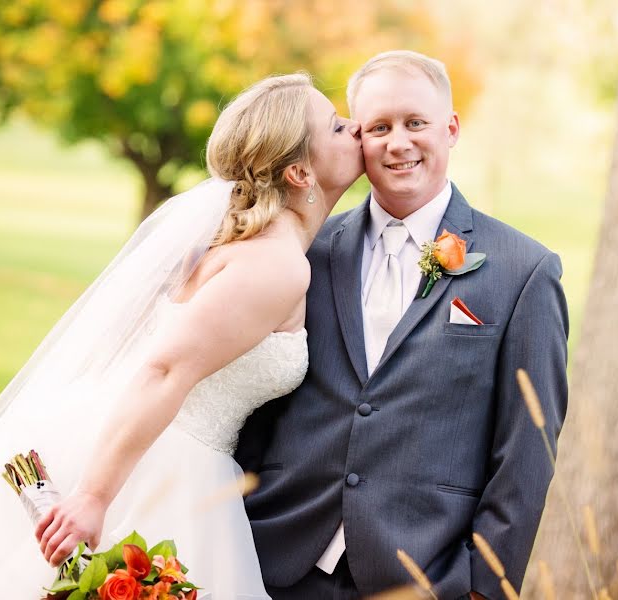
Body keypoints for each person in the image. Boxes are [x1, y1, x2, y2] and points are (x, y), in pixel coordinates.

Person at [0, 72, 364, 599]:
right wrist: (94, 497)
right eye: (336, 125)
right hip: (154, 468)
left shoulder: (254, 247)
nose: (354, 129)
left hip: (150, 448)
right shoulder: (276, 264)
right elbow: (164, 368)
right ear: (300, 170)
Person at [235, 50, 569, 600]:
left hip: (425, 574)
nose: (398, 142)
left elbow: (528, 448)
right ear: (356, 137)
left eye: (416, 123)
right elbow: (254, 394)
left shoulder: (523, 271)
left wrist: (483, 585)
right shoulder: (304, 253)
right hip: (275, 561)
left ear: (451, 129)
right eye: (378, 127)